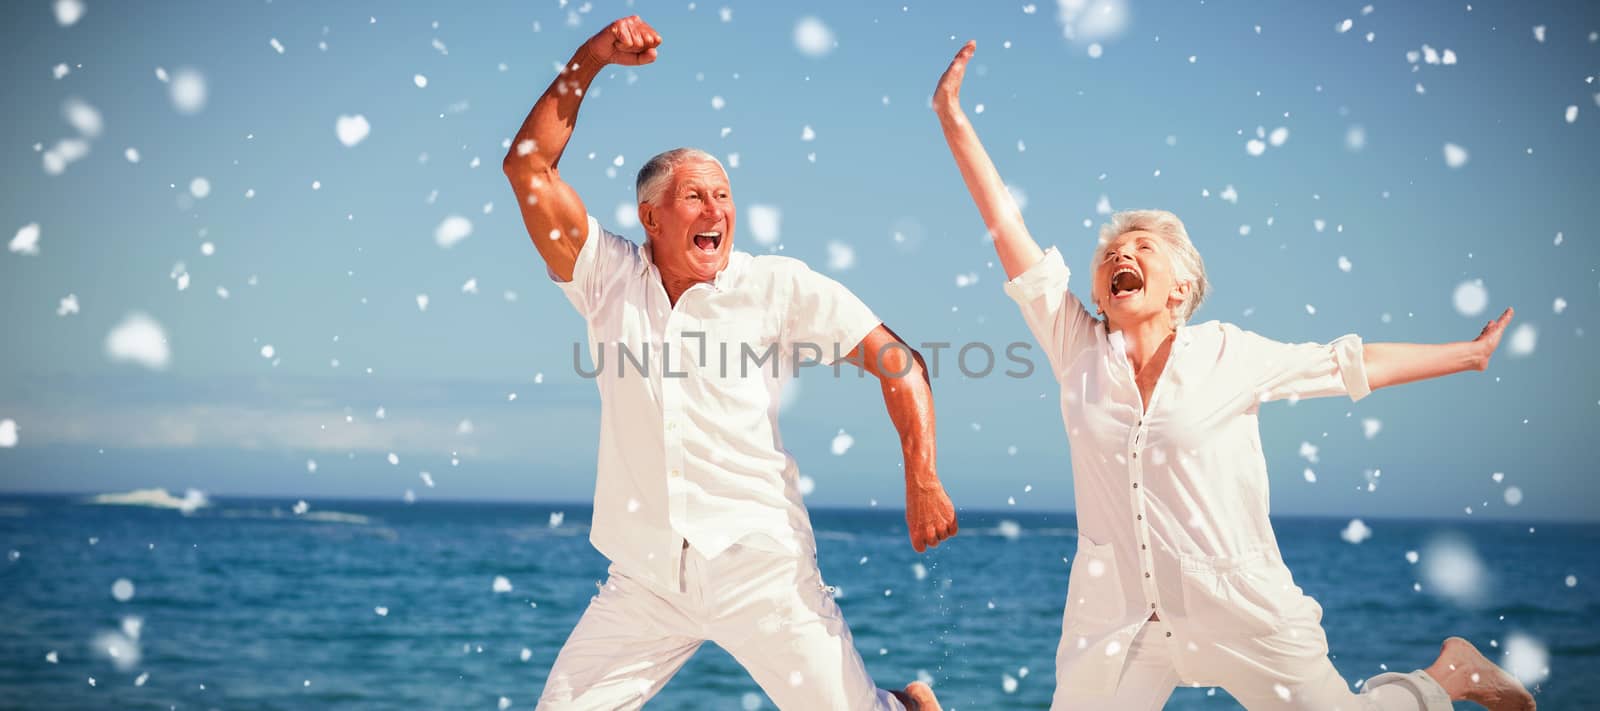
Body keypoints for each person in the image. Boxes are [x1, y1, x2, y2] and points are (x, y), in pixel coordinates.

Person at [930, 41, 1535, 711]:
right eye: (1109, 253)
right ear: (1100, 293)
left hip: (1237, 603)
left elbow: (1351, 364)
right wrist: (953, 119)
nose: (1119, 255)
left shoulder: (1227, 353)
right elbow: (1006, 228)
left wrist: (1468, 354)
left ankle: (1447, 675)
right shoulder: (1077, 347)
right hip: (1117, 619)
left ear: (1180, 286)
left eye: (1140, 248)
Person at [502, 16, 956, 711]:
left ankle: (902, 705)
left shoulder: (774, 286)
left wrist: (922, 476)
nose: (716, 209)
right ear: (651, 218)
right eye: (694, 196)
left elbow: (900, 362)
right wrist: (592, 58)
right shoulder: (607, 280)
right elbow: (528, 166)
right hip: (647, 577)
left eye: (723, 195)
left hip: (759, 564)